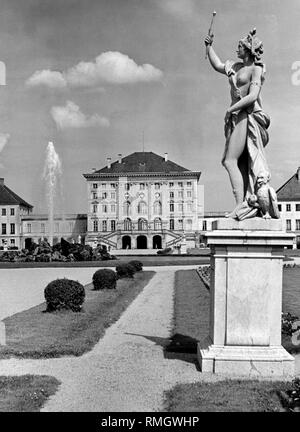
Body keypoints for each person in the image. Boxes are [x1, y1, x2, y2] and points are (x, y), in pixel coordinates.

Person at [204, 28, 271, 219]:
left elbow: (253, 96)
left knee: (229, 160)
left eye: (240, 46)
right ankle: (243, 203)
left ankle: (240, 206)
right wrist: (209, 47)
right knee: (240, 163)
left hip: (246, 116)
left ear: (249, 49)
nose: (237, 49)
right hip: (236, 118)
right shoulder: (236, 66)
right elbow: (217, 64)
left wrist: (231, 109)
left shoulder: (256, 69)